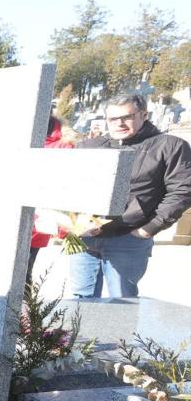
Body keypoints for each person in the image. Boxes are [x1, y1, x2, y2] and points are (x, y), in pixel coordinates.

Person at [65, 93, 191, 298]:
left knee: (123, 302)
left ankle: (118, 333)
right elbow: (69, 186)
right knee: (80, 300)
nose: (119, 123)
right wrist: (71, 221)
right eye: (112, 119)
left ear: (143, 114)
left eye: (127, 117)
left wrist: (149, 229)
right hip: (85, 237)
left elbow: (182, 191)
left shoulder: (169, 146)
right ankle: (81, 333)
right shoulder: (90, 147)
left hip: (129, 237)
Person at [27, 117, 76, 284]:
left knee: (22, 271)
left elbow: (67, 188)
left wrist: (65, 227)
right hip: (11, 216)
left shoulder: (64, 145)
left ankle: (22, 309)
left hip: (38, 220)